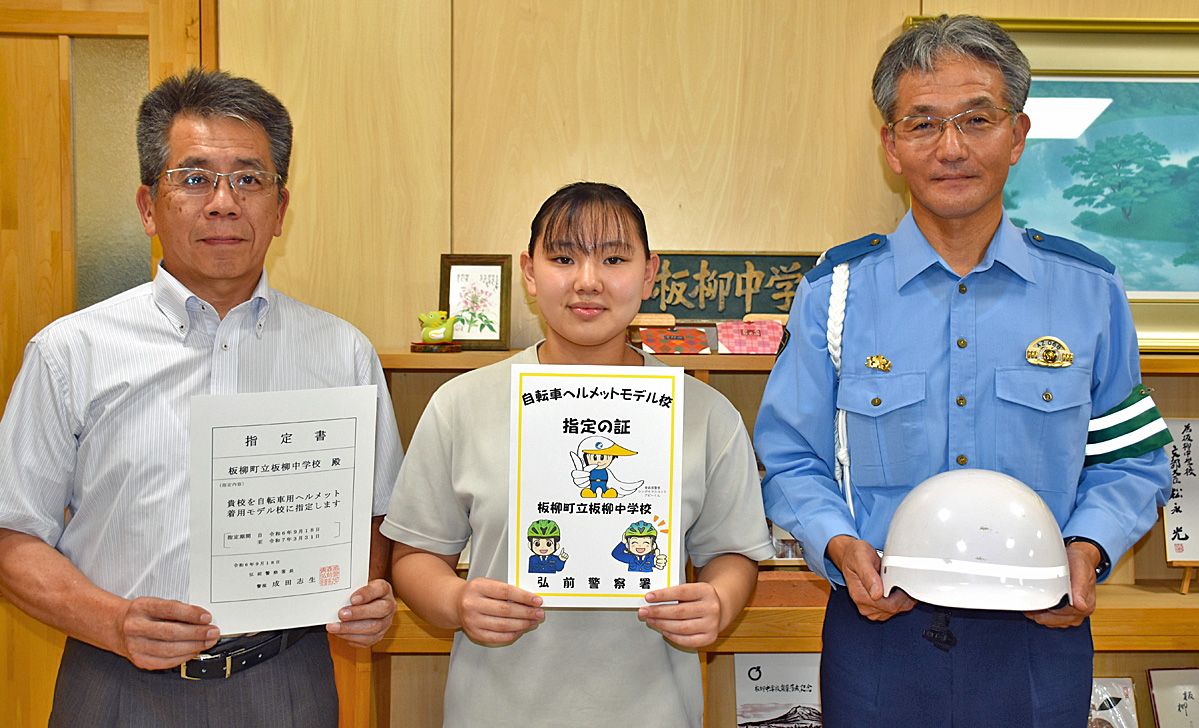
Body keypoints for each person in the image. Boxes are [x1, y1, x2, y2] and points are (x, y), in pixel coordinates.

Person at [754, 15, 1172, 728]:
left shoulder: (1089, 292)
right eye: (922, 124)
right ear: (890, 144)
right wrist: (837, 545)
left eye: (977, 118)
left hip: (1039, 631)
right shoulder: (836, 294)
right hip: (880, 625)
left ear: (1017, 133)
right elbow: (791, 456)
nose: (951, 147)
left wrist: (1089, 547)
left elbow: (1131, 458)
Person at [0, 69, 403, 727]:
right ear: (146, 205)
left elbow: (376, 515)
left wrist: (361, 596)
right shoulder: (68, 352)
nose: (223, 202)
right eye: (194, 178)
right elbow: (12, 534)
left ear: (280, 207)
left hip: (288, 681)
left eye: (249, 179)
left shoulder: (342, 352)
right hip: (118, 681)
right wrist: (117, 622)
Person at [384, 181, 775, 727]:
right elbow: (415, 557)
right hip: (495, 708)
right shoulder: (461, 404)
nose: (587, 281)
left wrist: (720, 602)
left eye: (613, 258)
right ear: (528, 271)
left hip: (655, 710)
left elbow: (732, 555)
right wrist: (457, 602)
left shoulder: (705, 415)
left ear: (649, 273)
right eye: (563, 257)